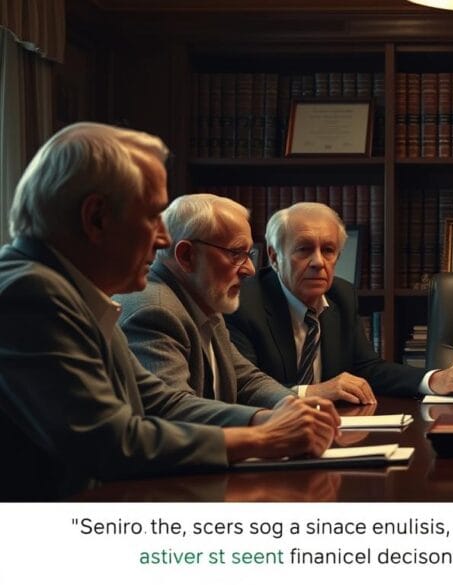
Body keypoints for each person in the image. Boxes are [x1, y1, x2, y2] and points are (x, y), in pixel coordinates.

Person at [0, 122, 339, 500]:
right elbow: (109, 441)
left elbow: (157, 400)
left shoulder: (78, 293)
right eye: (151, 216)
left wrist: (270, 418)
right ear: (96, 218)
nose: (163, 238)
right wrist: (262, 437)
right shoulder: (30, 292)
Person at [226, 202, 453, 397]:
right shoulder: (244, 302)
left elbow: (369, 370)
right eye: (303, 249)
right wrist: (311, 393)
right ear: (273, 255)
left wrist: (435, 379)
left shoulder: (340, 295)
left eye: (328, 250)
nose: (318, 261)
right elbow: (239, 390)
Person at [116, 193, 374, 410]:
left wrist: (292, 407)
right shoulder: (155, 310)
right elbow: (175, 409)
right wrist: (264, 420)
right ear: (186, 256)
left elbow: (246, 380)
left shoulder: (204, 304)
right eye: (236, 253)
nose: (250, 269)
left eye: (247, 254)